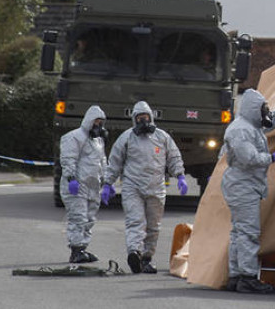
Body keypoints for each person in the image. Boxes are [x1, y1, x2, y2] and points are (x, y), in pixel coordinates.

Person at [222, 89, 275, 293]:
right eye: (263, 109)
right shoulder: (240, 130)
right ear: (253, 109)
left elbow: (273, 119)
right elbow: (248, 159)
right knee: (248, 233)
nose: (266, 113)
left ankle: (235, 276)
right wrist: (272, 158)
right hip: (242, 186)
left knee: (239, 233)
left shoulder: (253, 126)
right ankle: (248, 278)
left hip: (245, 185)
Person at [101, 101, 188, 274]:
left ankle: (146, 258)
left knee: (153, 226)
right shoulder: (126, 138)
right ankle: (134, 252)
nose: (143, 121)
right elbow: (115, 161)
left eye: (145, 117)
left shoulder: (162, 137)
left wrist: (180, 176)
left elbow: (174, 157)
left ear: (151, 118)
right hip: (133, 187)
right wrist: (107, 182)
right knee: (135, 221)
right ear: (134, 119)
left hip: (156, 187)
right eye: (139, 118)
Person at [60, 105, 107, 264]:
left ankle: (82, 248)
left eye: (101, 122)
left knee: (89, 219)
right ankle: (76, 250)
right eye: (96, 121)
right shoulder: (74, 137)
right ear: (89, 121)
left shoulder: (98, 141)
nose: (98, 125)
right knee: (78, 218)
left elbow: (102, 162)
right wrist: (71, 178)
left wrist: (106, 182)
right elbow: (68, 159)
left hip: (93, 186)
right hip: (77, 185)